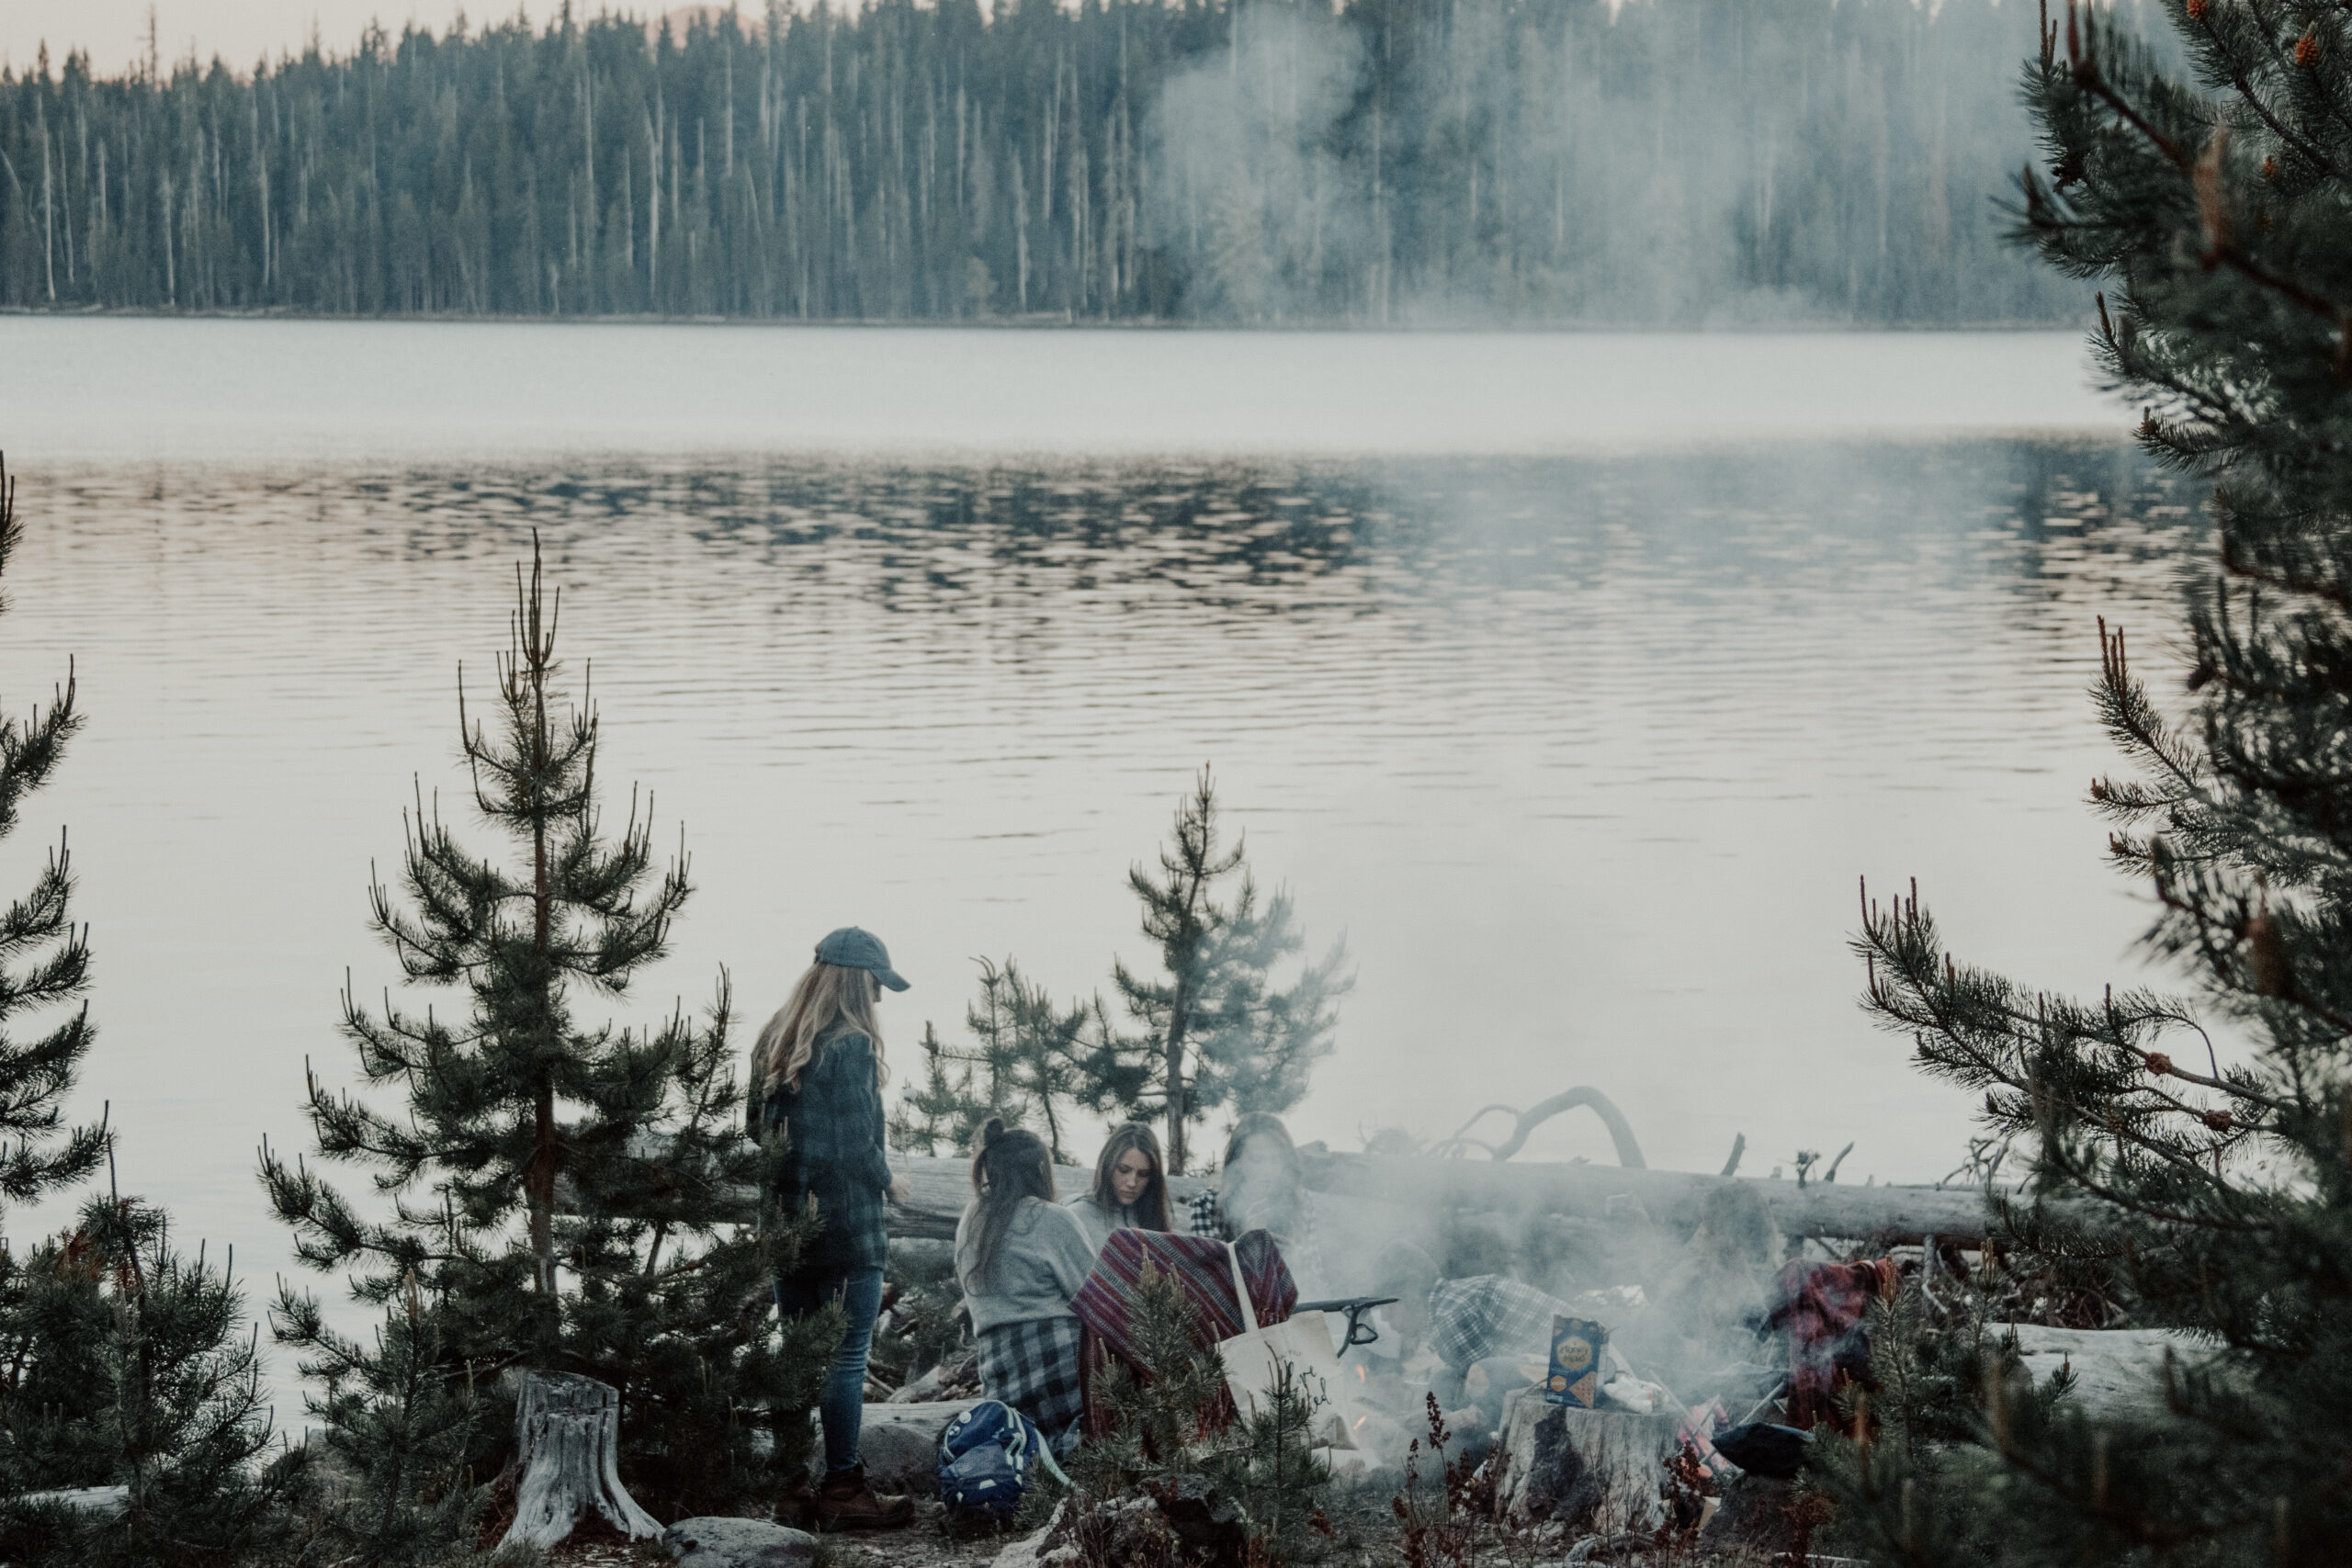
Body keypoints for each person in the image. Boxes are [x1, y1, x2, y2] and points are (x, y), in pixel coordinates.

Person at [751, 927, 915, 1532]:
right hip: (848, 1229)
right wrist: (888, 1178)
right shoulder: (853, 1045)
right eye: (876, 984)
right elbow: (856, 1144)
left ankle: (791, 1490)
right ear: (855, 981)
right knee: (846, 1360)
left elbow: (754, 1130)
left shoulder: (777, 1037)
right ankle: (843, 1487)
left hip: (787, 1226)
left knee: (794, 1356)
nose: (878, 997)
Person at [956, 1118, 1097, 1455]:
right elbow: (1096, 1300)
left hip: (998, 1373)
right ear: (1039, 1170)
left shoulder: (972, 1220)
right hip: (1060, 1368)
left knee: (1030, 1448)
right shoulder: (1053, 1218)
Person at [1373, 1243, 1574, 1430]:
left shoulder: (1448, 1321)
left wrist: (1444, 1421)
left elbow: (1491, 1399)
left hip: (1576, 1376)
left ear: (1412, 1296)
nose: (1385, 1319)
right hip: (1569, 1367)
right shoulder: (1451, 1299)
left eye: (1389, 1309)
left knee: (1482, 1372)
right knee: (1446, 1378)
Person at [1187, 1112, 1329, 1297]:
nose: (1268, 1171)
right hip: (1233, 1320)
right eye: (1258, 1160)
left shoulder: (1301, 1201)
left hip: (1291, 1315)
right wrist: (1247, 1244)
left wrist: (1297, 1258)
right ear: (1237, 1163)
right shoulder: (1207, 1205)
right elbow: (1208, 1286)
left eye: (1276, 1159)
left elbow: (1316, 1284)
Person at [1065, 1122, 1171, 1251]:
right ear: (1108, 1167)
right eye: (1123, 1170)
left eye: (1143, 1174)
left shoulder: (1155, 1219)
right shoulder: (1076, 1216)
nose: (1132, 1183)